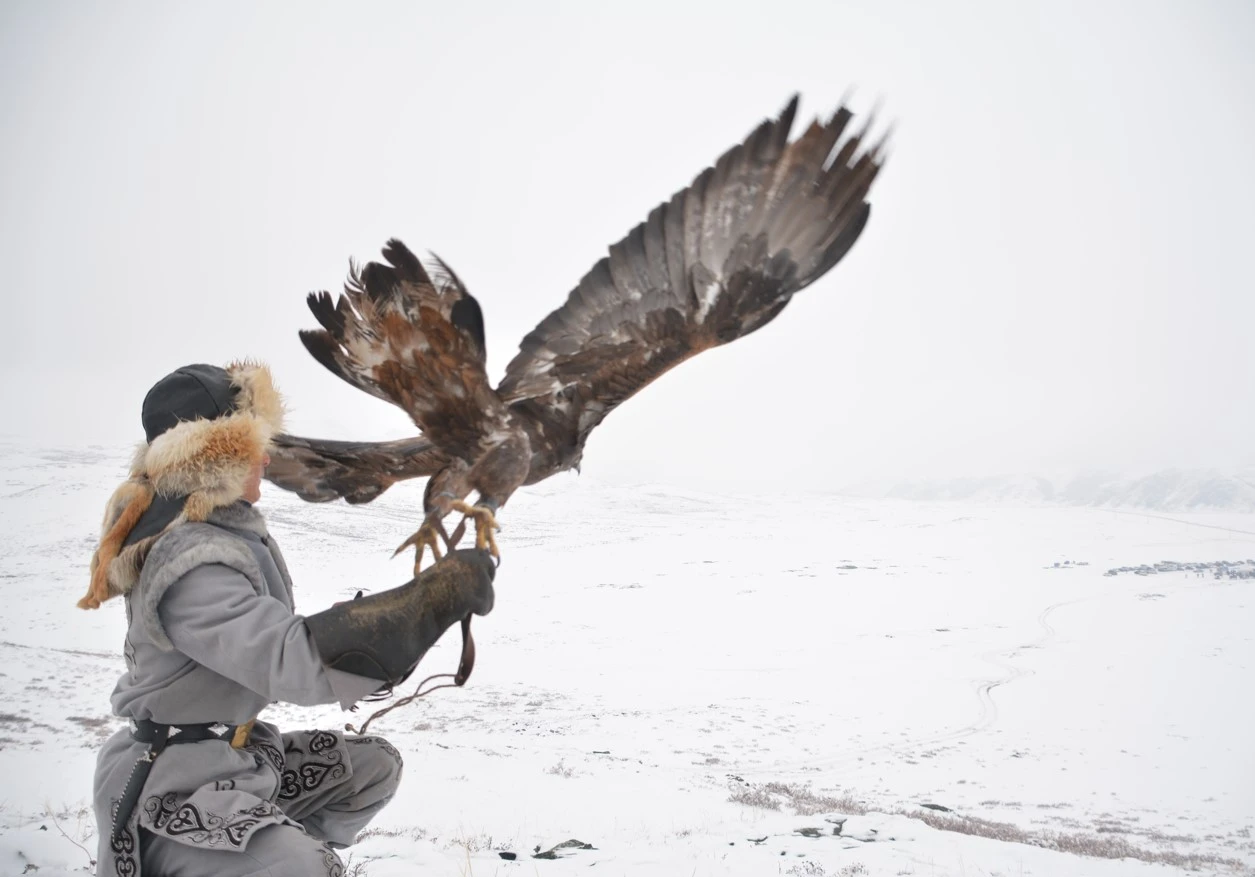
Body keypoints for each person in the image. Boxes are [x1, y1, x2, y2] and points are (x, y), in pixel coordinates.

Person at [79, 361, 496, 877]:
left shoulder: (221, 534)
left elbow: (267, 633)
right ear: (219, 457)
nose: (267, 456)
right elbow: (285, 660)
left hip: (240, 763)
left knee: (372, 769)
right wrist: (427, 603)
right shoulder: (190, 561)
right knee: (309, 868)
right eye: (255, 443)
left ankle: (261, 853)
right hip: (176, 788)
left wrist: (405, 614)